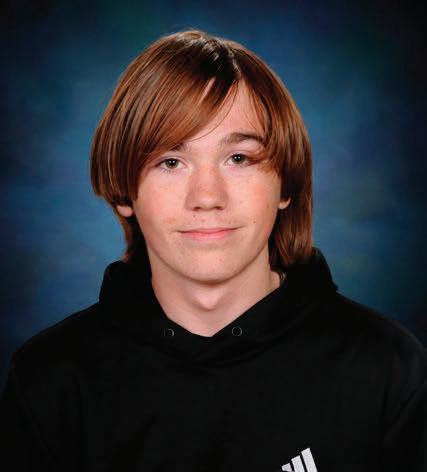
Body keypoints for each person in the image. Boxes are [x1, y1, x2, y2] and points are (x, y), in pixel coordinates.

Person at [1, 29, 425, 472]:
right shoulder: (49, 384)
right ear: (125, 191)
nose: (207, 196)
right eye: (171, 162)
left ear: (285, 185)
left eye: (238, 159)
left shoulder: (389, 370)